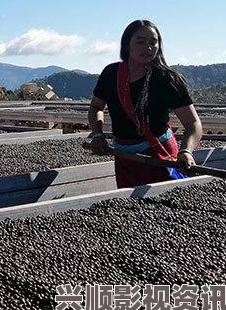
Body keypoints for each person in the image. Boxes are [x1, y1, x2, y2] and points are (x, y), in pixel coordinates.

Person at [87, 19, 202, 188]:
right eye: (140, 42)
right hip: (124, 157)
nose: (148, 47)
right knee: (129, 207)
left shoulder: (167, 80)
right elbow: (96, 107)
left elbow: (193, 123)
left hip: (160, 155)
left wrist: (186, 151)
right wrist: (98, 134)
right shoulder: (111, 74)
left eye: (153, 42)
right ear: (127, 45)